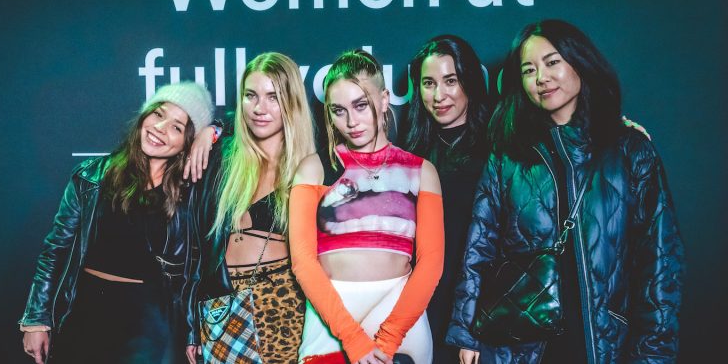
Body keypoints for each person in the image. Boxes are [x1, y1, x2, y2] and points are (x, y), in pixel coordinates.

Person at [446, 19, 683, 364]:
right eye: (529, 70)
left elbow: (661, 262)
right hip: (519, 341)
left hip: (604, 343)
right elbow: (479, 247)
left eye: (552, 61)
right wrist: (466, 332)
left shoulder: (630, 150)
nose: (541, 77)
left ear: (580, 61)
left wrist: (653, 355)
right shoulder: (507, 155)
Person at [19, 82, 214, 364]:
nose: (160, 128)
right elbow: (55, 249)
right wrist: (36, 320)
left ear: (188, 142)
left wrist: (213, 130)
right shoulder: (91, 177)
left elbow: (251, 126)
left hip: (148, 324)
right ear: (144, 117)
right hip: (84, 312)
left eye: (177, 127)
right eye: (158, 114)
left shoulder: (191, 191)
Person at [290, 50, 444, 364]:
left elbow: (431, 263)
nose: (351, 121)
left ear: (385, 99)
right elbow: (303, 261)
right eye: (339, 110)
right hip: (329, 316)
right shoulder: (314, 168)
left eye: (361, 105)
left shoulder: (421, 171)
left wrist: (388, 339)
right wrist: (352, 339)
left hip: (401, 314)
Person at [189, 52, 315, 364]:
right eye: (251, 95)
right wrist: (213, 128)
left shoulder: (309, 166)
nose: (260, 108)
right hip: (222, 305)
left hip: (283, 307)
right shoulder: (223, 158)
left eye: (274, 97)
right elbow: (194, 250)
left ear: (292, 102)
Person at [398, 35, 491, 363]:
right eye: (428, 83)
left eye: (450, 81)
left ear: (469, 80)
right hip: (422, 311)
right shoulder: (409, 152)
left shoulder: (498, 149)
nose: (439, 95)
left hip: (477, 312)